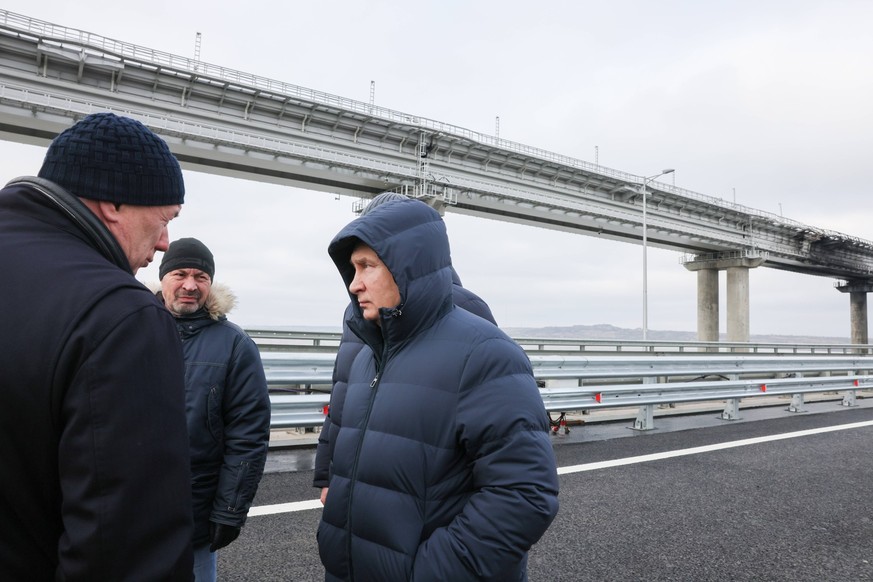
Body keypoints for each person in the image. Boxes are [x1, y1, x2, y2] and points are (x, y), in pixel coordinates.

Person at [317, 197, 560, 581]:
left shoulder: (485, 353)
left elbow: (523, 494)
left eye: (367, 267)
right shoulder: (368, 354)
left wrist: (433, 571)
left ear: (406, 266)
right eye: (352, 268)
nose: (354, 283)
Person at [0, 112, 194, 580]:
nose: (167, 242)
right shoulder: (118, 316)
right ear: (113, 204)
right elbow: (123, 551)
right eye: (164, 218)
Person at [312, 192, 497, 502]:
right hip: (363, 487)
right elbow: (343, 394)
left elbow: (507, 464)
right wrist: (327, 475)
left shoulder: (464, 309)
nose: (355, 284)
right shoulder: (357, 312)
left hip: (425, 495)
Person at [157, 237, 272, 582]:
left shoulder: (235, 345)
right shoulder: (129, 326)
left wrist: (230, 511)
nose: (190, 285)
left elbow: (248, 434)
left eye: (200, 276)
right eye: (180, 274)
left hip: (194, 513)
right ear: (163, 277)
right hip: (128, 510)